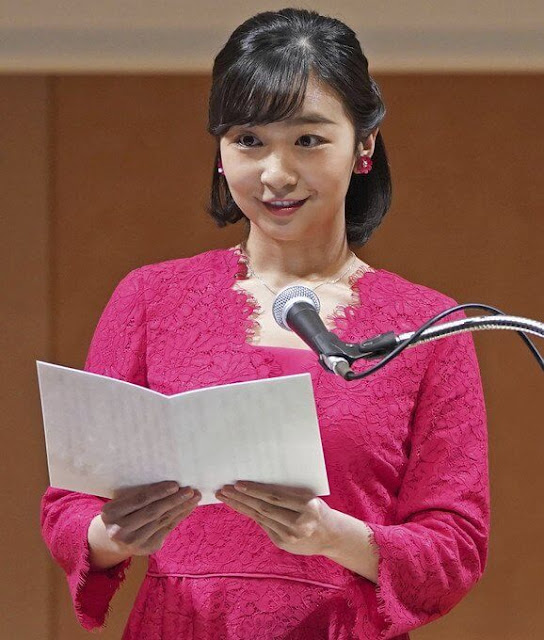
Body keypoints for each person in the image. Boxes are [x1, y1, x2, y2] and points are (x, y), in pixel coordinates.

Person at [40, 8, 490, 639]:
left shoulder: (427, 328)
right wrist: (110, 534)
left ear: (363, 144)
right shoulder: (150, 298)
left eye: (308, 139)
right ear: (221, 150)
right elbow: (68, 507)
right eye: (249, 140)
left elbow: (455, 545)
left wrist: (336, 537)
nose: (276, 174)